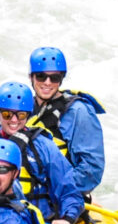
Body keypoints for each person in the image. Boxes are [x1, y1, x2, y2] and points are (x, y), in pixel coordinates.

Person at [0, 81, 83, 224]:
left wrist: (66, 219)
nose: (14, 120)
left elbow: (68, 190)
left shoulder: (44, 146)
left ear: (28, 115)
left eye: (20, 115)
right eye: (7, 114)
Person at [25, 46, 106, 198]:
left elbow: (91, 169)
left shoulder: (78, 112)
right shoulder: (24, 107)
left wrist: (54, 190)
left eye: (54, 77)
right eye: (41, 76)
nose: (47, 83)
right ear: (31, 77)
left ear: (62, 78)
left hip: (61, 198)